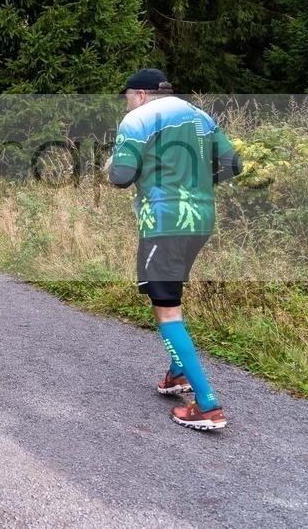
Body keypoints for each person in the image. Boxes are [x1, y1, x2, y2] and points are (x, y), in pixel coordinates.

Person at [106, 68, 243, 431]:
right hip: (201, 221)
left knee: (167, 310)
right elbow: (234, 164)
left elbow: (121, 176)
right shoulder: (201, 116)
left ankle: (207, 404)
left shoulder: (138, 119)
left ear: (141, 94)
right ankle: (177, 374)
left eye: (127, 98)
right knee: (168, 294)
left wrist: (110, 165)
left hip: (164, 224)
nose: (127, 104)